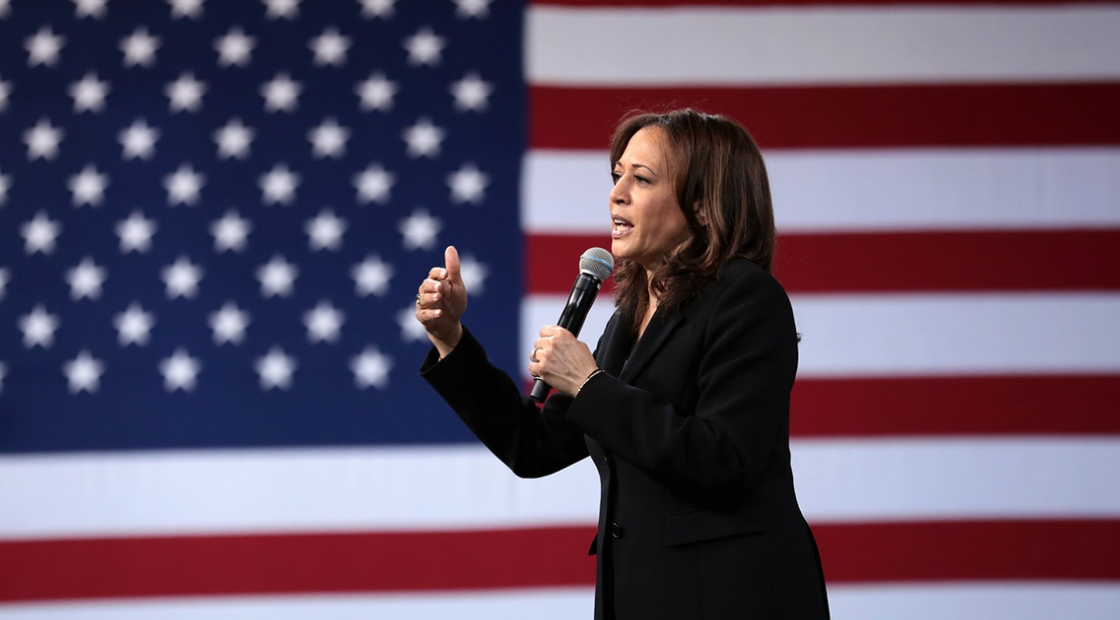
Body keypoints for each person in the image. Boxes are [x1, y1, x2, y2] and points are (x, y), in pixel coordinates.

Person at [415, 109, 829, 619]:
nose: (616, 193)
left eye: (642, 179)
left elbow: (724, 460)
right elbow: (534, 445)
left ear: (702, 205)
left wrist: (588, 385)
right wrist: (450, 337)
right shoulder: (633, 313)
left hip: (729, 595)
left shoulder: (747, 299)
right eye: (617, 176)